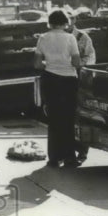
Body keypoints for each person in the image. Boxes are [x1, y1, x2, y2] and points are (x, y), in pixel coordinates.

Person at [34, 10, 82, 167]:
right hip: (68, 80)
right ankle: (70, 158)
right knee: (68, 119)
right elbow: (76, 63)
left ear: (50, 23)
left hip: (50, 80)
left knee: (54, 120)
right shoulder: (70, 38)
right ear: (64, 23)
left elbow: (36, 64)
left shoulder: (42, 38)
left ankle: (54, 158)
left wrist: (50, 64)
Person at [70, 20, 96, 164]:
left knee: (81, 116)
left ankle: (82, 152)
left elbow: (90, 57)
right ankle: (69, 150)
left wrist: (77, 64)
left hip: (79, 80)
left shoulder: (83, 37)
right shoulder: (59, 36)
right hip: (65, 79)